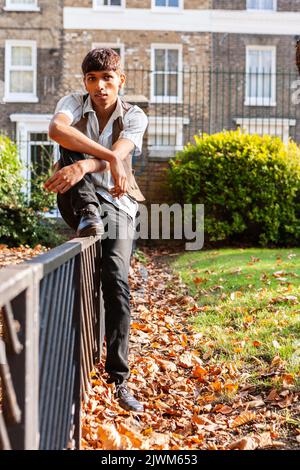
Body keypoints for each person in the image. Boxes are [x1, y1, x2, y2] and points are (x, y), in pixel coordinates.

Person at [44, 48, 148, 412]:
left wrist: (93, 162)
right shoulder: (72, 102)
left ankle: (119, 378)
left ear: (121, 80)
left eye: (107, 78)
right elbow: (56, 128)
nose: (100, 86)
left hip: (119, 203)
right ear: (85, 82)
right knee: (66, 138)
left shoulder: (135, 116)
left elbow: (120, 151)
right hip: (78, 202)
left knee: (115, 279)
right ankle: (89, 212)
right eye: (92, 79)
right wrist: (107, 159)